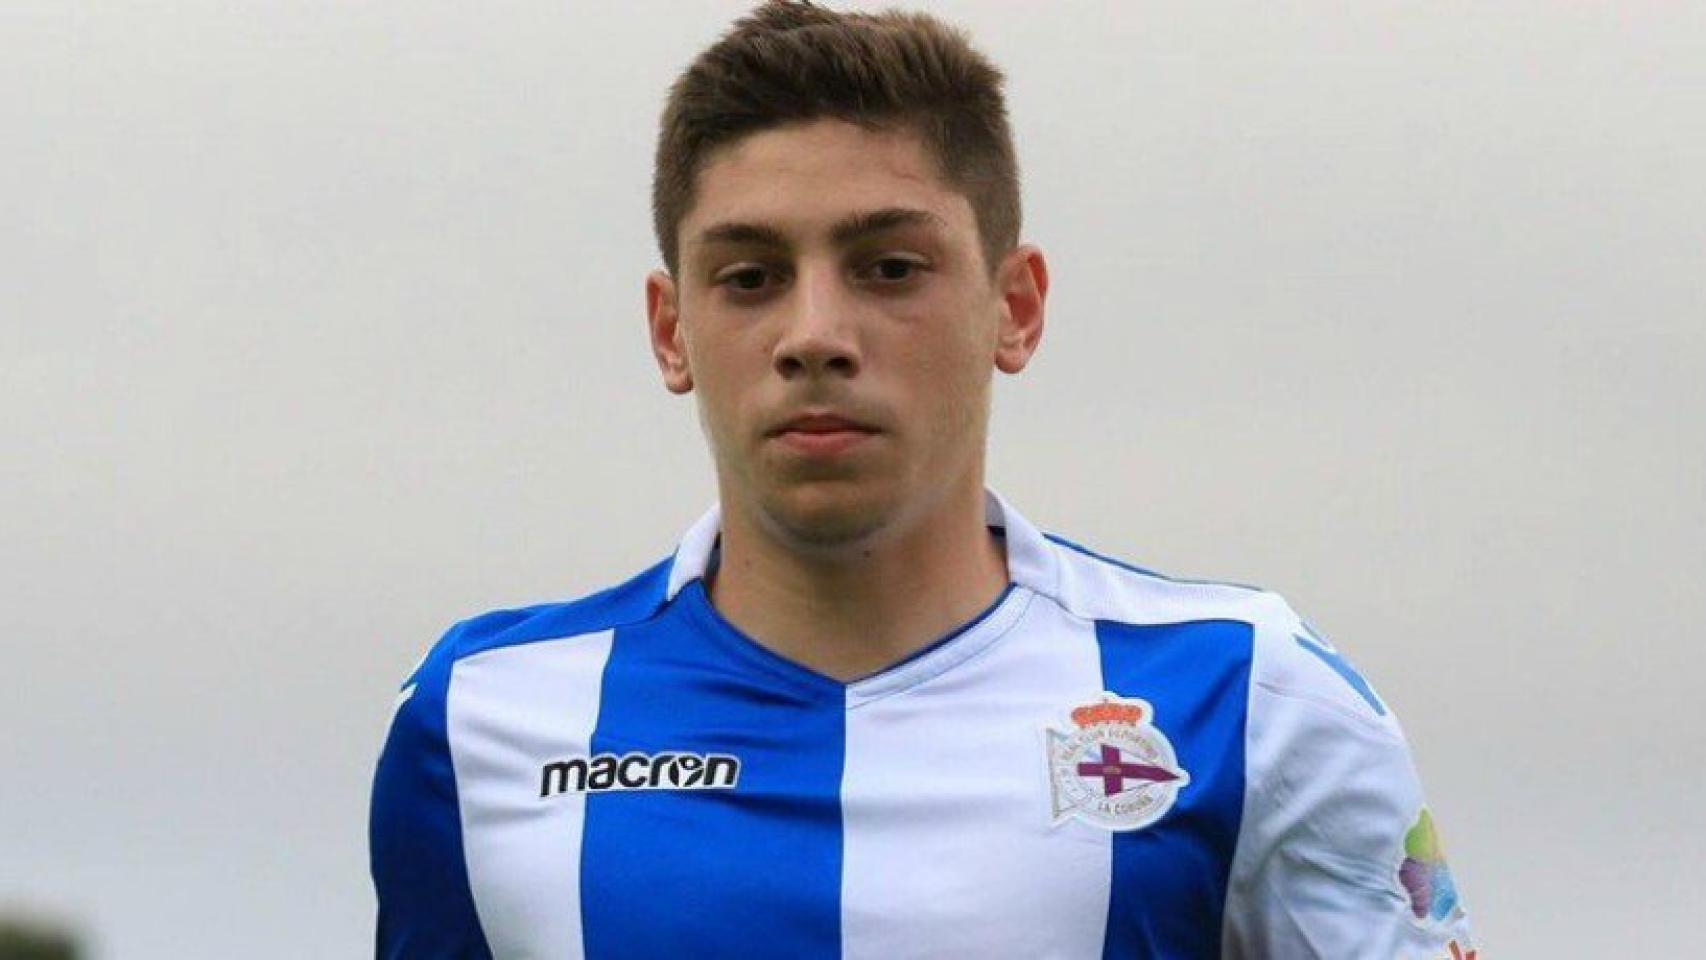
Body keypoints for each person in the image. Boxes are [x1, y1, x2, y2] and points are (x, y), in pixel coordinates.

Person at [369, 2, 1475, 957]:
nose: (814, 334)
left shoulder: (1253, 700)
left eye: (888, 268)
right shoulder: (480, 718)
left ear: (1014, 305)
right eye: (749, 277)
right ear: (671, 331)